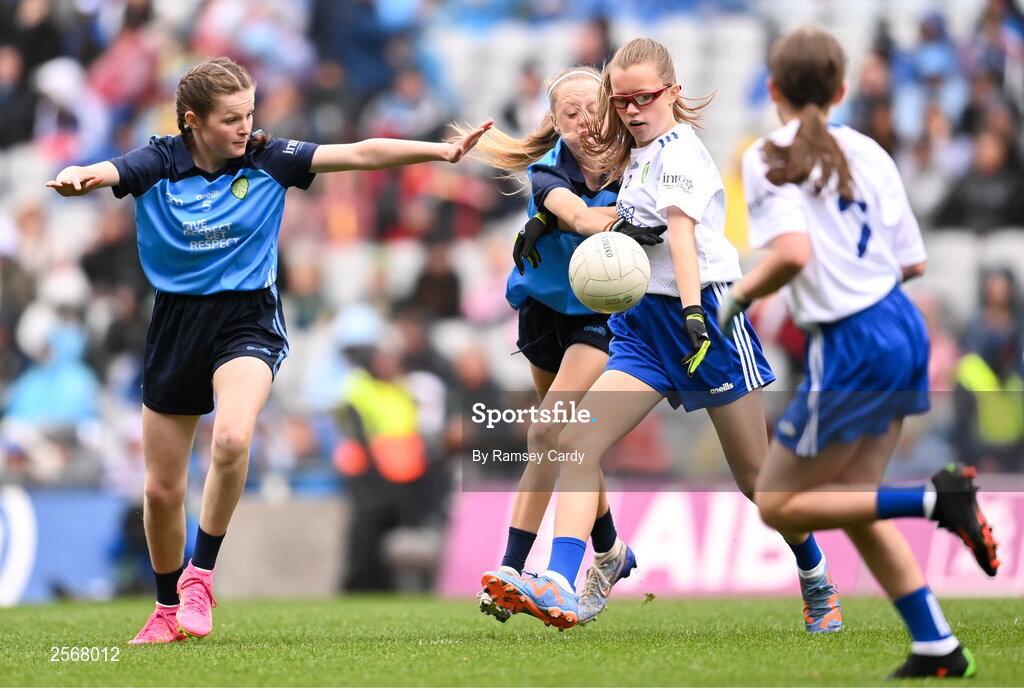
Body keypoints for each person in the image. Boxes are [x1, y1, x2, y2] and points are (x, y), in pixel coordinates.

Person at [45, 56, 492, 644]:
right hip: (176, 324)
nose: (244, 128)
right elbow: (111, 169)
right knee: (160, 491)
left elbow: (357, 153)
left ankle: (200, 578)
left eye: (249, 114)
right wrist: (83, 173)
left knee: (231, 438)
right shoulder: (159, 160)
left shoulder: (267, 157)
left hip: (246, 318)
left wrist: (440, 153)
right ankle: (163, 606)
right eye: (230, 119)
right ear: (192, 121)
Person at [481, 38, 841, 633]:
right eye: (621, 100)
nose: (631, 109)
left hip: (705, 323)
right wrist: (546, 217)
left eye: (644, 97)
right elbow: (622, 216)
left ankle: (814, 574)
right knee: (576, 439)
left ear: (671, 91)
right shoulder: (637, 152)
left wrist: (696, 312)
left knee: (757, 482)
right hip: (644, 328)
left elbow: (678, 235)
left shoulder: (679, 153)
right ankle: (562, 582)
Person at [716, 27, 999, 678]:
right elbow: (916, 260)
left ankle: (935, 503)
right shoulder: (869, 150)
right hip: (900, 323)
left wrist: (736, 299)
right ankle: (937, 644)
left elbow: (791, 255)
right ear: (842, 90)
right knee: (852, 497)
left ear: (773, 90)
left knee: (778, 501)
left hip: (852, 340)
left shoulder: (767, 155)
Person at [455, 65, 660, 626]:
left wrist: (640, 212)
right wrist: (596, 217)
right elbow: (579, 214)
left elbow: (620, 216)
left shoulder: (640, 171)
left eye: (594, 109)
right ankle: (612, 550)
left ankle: (514, 568)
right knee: (569, 443)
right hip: (543, 314)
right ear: (555, 122)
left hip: (600, 316)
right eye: (571, 114)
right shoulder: (547, 172)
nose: (586, 122)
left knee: (551, 431)